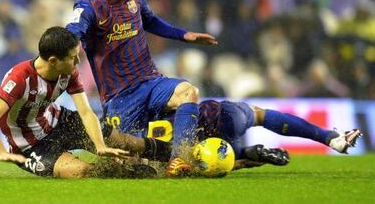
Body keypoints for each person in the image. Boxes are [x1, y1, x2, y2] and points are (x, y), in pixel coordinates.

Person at [66, 0, 217, 176]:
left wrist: (183, 35)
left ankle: (179, 160)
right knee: (126, 165)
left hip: (150, 82)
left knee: (189, 92)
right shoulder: (88, 4)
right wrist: (72, 47)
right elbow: (73, 31)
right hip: (119, 97)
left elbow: (150, 20)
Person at [0, 26, 128, 178]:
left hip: (59, 122)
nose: (77, 61)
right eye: (73, 57)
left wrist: (100, 145)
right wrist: (0, 151)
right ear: (53, 61)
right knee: (81, 171)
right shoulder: (19, 78)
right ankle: (128, 172)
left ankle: (152, 156)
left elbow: (85, 112)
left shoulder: (68, 73)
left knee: (124, 142)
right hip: (29, 146)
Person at [142, 99, 362, 172]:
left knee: (205, 161)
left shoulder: (144, 140)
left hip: (213, 150)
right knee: (259, 115)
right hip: (221, 118)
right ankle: (330, 137)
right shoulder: (150, 109)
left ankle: (247, 154)